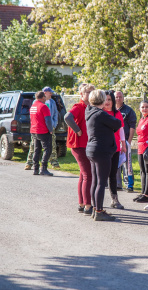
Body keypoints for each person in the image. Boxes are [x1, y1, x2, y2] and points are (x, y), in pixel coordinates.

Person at [85, 89, 122, 221]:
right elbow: (118, 123)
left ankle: (96, 209)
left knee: (96, 181)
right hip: (102, 150)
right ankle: (99, 211)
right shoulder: (101, 114)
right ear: (102, 100)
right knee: (101, 182)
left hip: (92, 149)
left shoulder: (89, 111)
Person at [64, 83, 94, 215]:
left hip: (85, 145)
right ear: (81, 94)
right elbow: (67, 117)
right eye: (87, 92)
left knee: (83, 175)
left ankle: (81, 204)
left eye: (92, 92)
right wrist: (78, 131)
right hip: (79, 145)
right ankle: (88, 205)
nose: (90, 94)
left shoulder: (90, 107)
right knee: (88, 175)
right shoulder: (79, 106)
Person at [24, 86, 59, 170]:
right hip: (39, 129)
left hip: (49, 127)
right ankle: (32, 163)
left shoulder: (52, 102)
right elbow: (34, 115)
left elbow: (54, 114)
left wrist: (53, 125)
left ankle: (53, 162)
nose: (51, 94)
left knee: (51, 146)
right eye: (49, 92)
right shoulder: (37, 103)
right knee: (36, 147)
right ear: (44, 93)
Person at [104, 90, 126, 210]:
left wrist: (123, 143)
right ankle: (96, 201)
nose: (107, 102)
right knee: (100, 175)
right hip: (102, 149)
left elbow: (121, 129)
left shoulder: (117, 114)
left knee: (112, 174)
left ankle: (114, 199)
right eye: (105, 99)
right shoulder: (100, 112)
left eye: (109, 100)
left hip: (115, 148)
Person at [133, 101, 148, 208]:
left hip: (147, 149)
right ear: (139, 109)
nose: (144, 109)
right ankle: (143, 192)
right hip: (140, 148)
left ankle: (147, 194)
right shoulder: (142, 119)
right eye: (142, 107)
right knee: (142, 171)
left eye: (147, 107)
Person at [115, 91, 137, 192]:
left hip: (126, 141)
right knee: (116, 163)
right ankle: (118, 184)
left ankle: (129, 185)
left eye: (120, 97)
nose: (118, 99)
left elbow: (132, 126)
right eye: (116, 97)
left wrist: (128, 141)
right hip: (115, 141)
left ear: (123, 98)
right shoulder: (112, 110)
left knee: (127, 164)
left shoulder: (129, 111)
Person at [30, 91, 54, 176]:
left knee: (37, 149)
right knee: (48, 149)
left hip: (34, 130)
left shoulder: (33, 106)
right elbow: (48, 120)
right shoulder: (43, 107)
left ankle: (35, 169)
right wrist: (50, 129)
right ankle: (43, 168)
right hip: (43, 131)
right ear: (43, 97)